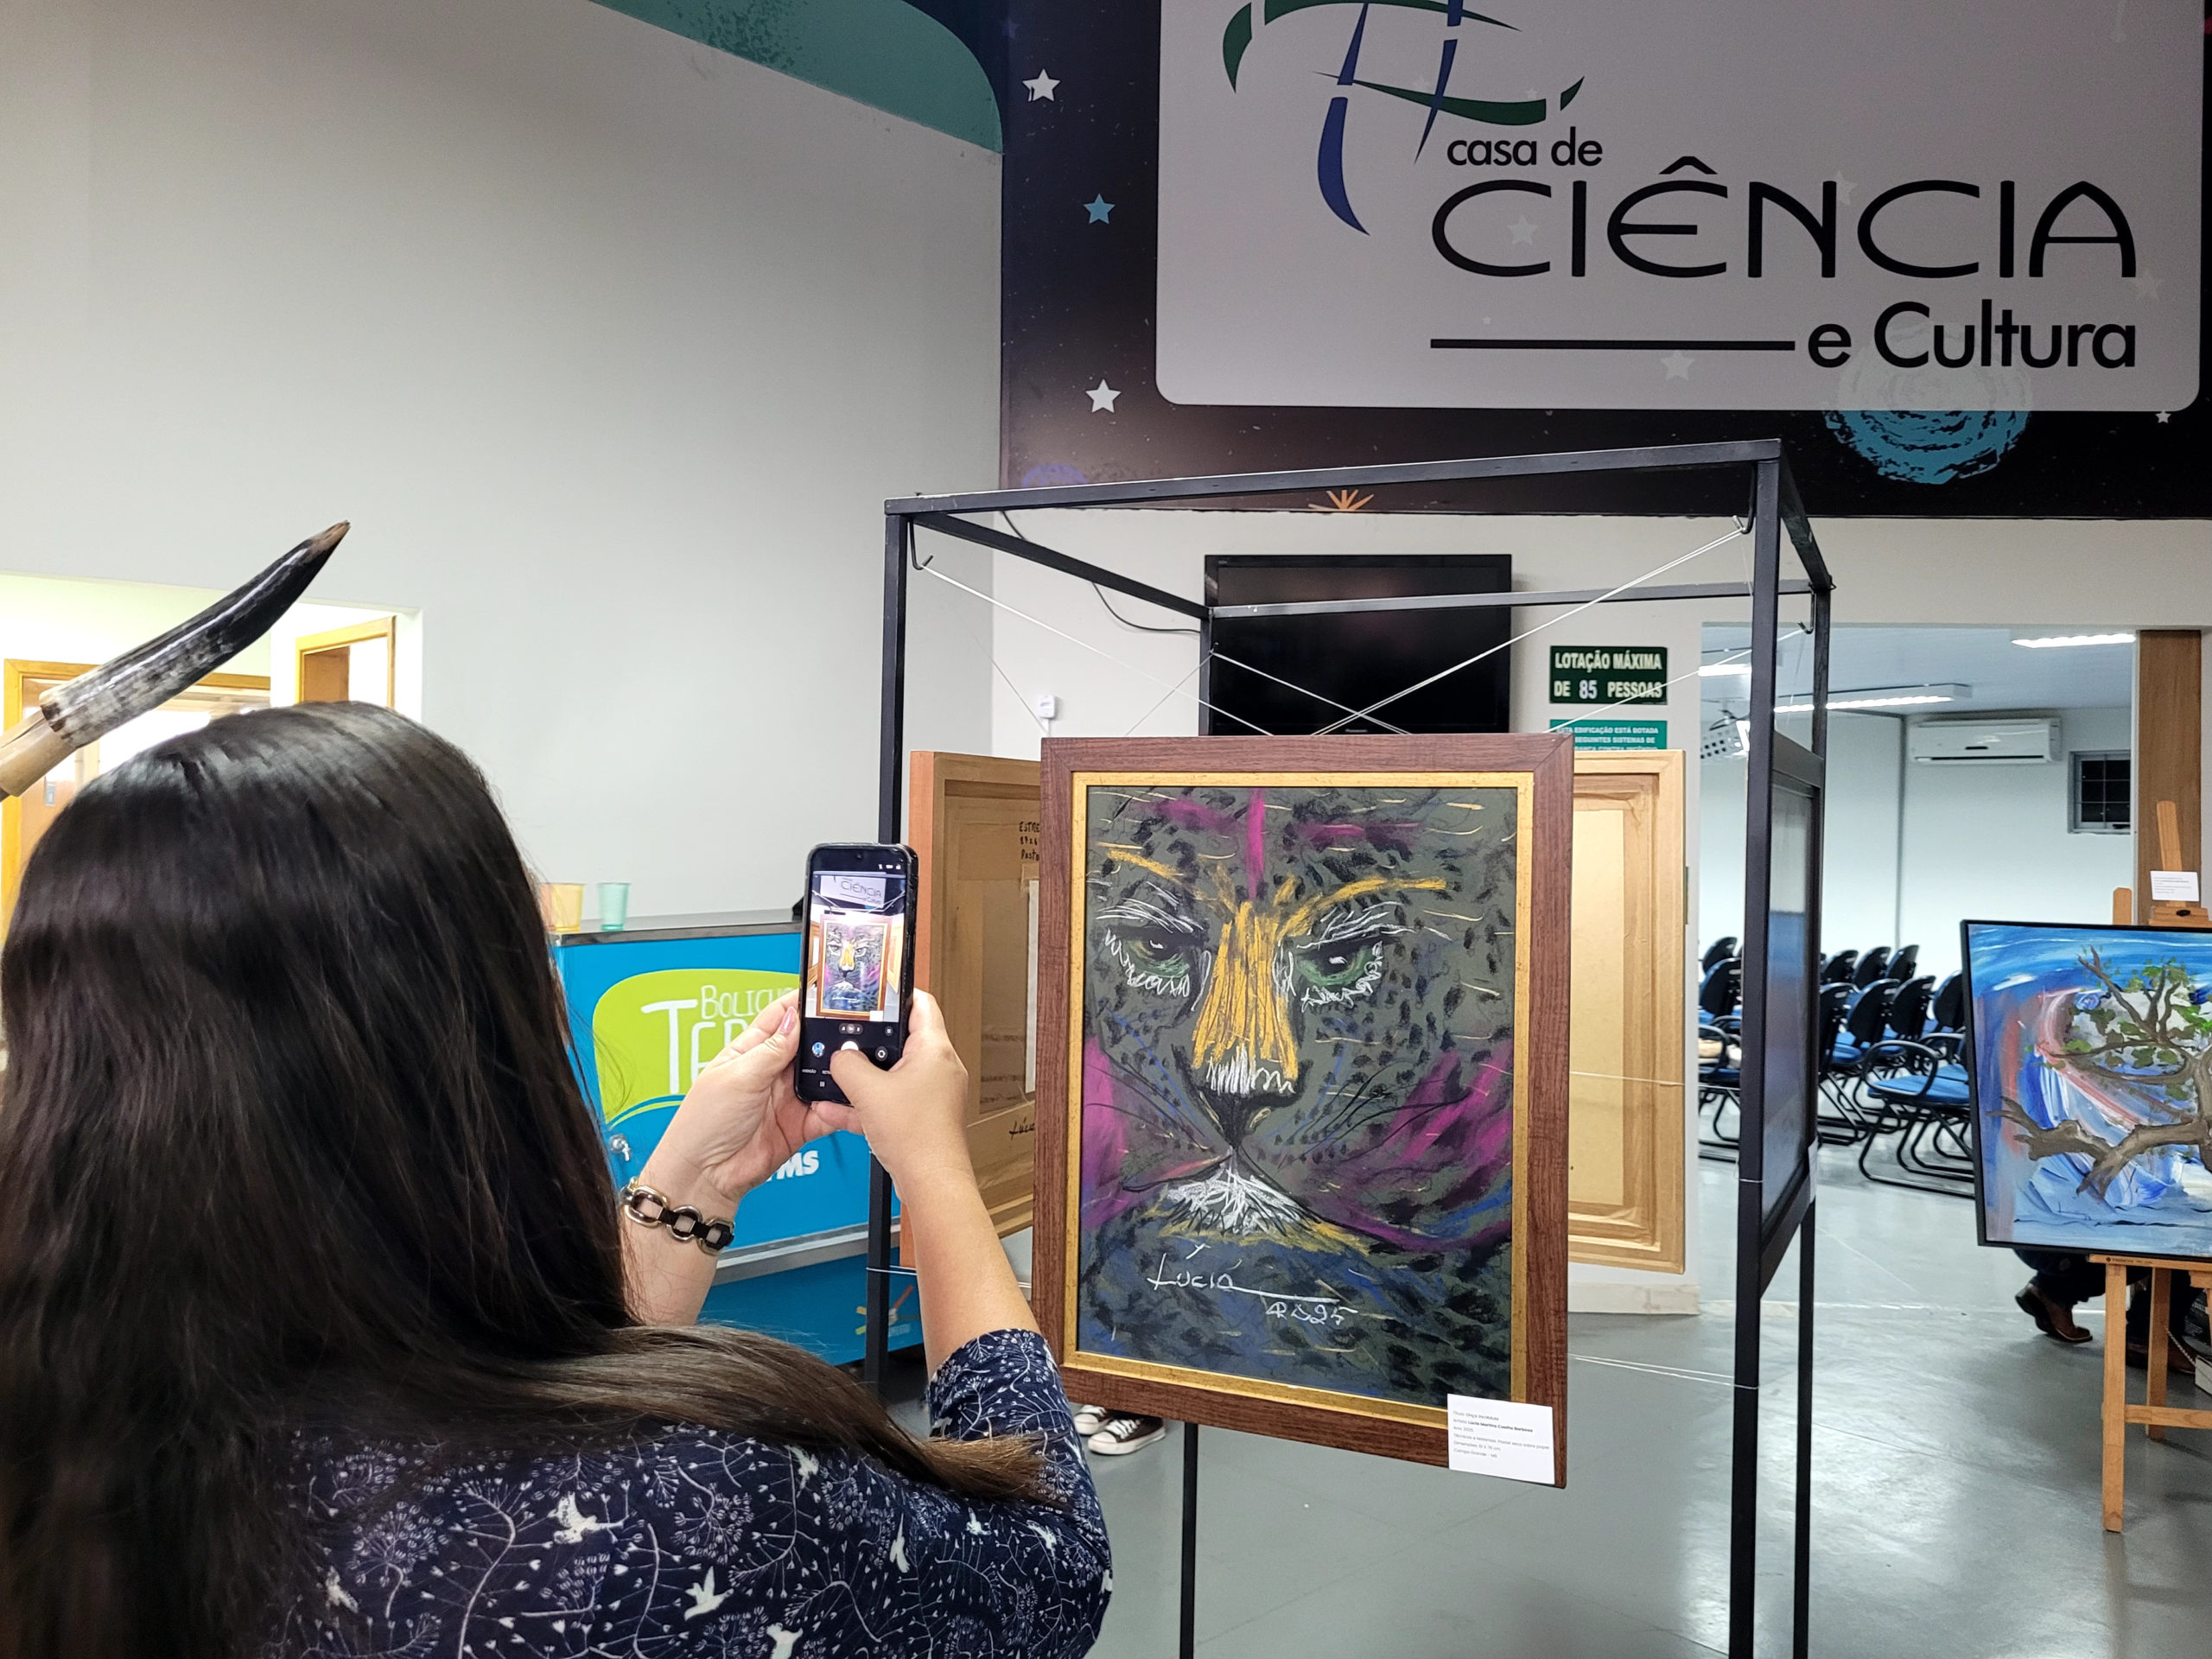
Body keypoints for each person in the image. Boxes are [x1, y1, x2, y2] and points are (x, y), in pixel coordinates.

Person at [0, 702, 1109, 1659]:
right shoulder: (674, 1516)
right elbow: (1051, 1567)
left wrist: (697, 1176)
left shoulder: (72, 1424)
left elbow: (540, 1385)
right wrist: (934, 1168)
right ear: (460, 1037)